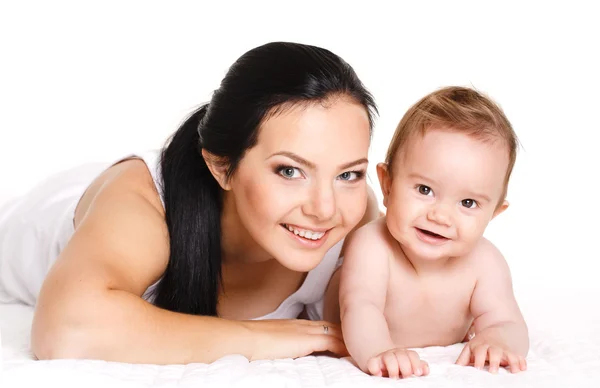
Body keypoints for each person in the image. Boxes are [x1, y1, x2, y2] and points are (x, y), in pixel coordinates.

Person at [0, 41, 382, 364]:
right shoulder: (144, 205)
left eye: (348, 173)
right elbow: (66, 328)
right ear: (221, 165)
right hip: (44, 212)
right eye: (289, 171)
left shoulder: (357, 213)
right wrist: (264, 338)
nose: (325, 208)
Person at [339, 86, 529, 379]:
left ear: (493, 214)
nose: (440, 216)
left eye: (468, 203)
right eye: (425, 190)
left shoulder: (485, 262)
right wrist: (378, 349)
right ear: (387, 185)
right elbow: (360, 307)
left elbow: (508, 321)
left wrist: (498, 339)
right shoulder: (371, 245)